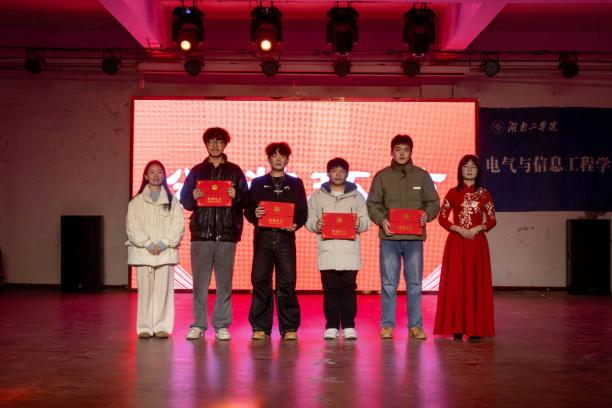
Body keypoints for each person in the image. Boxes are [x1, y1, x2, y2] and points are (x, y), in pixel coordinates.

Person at [367, 135, 440, 340]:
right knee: (389, 283)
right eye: (398, 149)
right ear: (391, 151)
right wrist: (382, 220)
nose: (401, 153)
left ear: (411, 152)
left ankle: (415, 325)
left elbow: (433, 203)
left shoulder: (422, 176)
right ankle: (387, 325)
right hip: (389, 238)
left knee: (415, 284)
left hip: (414, 239)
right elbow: (372, 204)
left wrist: (426, 215)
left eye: (405, 150)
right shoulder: (382, 176)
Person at [180, 127, 249, 341]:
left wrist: (236, 195)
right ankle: (198, 325)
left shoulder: (235, 171)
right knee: (200, 284)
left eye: (219, 141)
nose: (215, 145)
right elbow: (185, 202)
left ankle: (221, 325)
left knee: (224, 284)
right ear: (206, 144)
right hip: (201, 234)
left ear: (225, 144)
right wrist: (193, 195)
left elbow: (247, 200)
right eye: (211, 141)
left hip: (226, 235)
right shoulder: (197, 171)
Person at [245, 142, 307, 341]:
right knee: (260, 280)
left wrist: (296, 224)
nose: (278, 159)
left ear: (288, 159)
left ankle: (289, 327)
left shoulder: (296, 183)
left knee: (287, 282)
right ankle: (260, 327)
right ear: (268, 158)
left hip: (285, 238)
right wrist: (255, 214)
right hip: (263, 238)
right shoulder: (257, 183)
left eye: (282, 155)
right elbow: (248, 210)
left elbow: (302, 212)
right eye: (274, 155)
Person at [305, 158, 370, 340]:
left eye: (342, 171)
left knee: (349, 290)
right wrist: (316, 225)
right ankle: (331, 325)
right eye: (334, 170)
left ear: (347, 174)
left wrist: (359, 224)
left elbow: (367, 220)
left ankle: (349, 325)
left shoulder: (357, 196)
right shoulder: (317, 196)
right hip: (328, 251)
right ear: (328, 173)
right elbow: (308, 219)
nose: (338, 174)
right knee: (330, 290)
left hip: (349, 252)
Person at [434, 155, 496, 340]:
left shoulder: (484, 194)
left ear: (478, 171)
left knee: (476, 282)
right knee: (457, 283)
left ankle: (475, 328)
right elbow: (442, 218)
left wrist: (478, 228)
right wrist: (458, 229)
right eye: (466, 166)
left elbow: (492, 220)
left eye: (473, 167)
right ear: (460, 170)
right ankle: (457, 327)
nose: (469, 170)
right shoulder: (453, 193)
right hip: (457, 243)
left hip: (477, 243)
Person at [126, 160, 185, 339]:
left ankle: (162, 326)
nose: (156, 175)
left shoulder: (172, 201)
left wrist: (164, 243)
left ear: (164, 176)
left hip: (165, 252)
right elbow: (132, 226)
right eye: (152, 172)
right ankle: (144, 327)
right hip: (144, 252)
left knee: (163, 292)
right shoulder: (136, 202)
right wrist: (147, 243)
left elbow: (178, 225)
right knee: (145, 292)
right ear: (145, 176)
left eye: (159, 172)